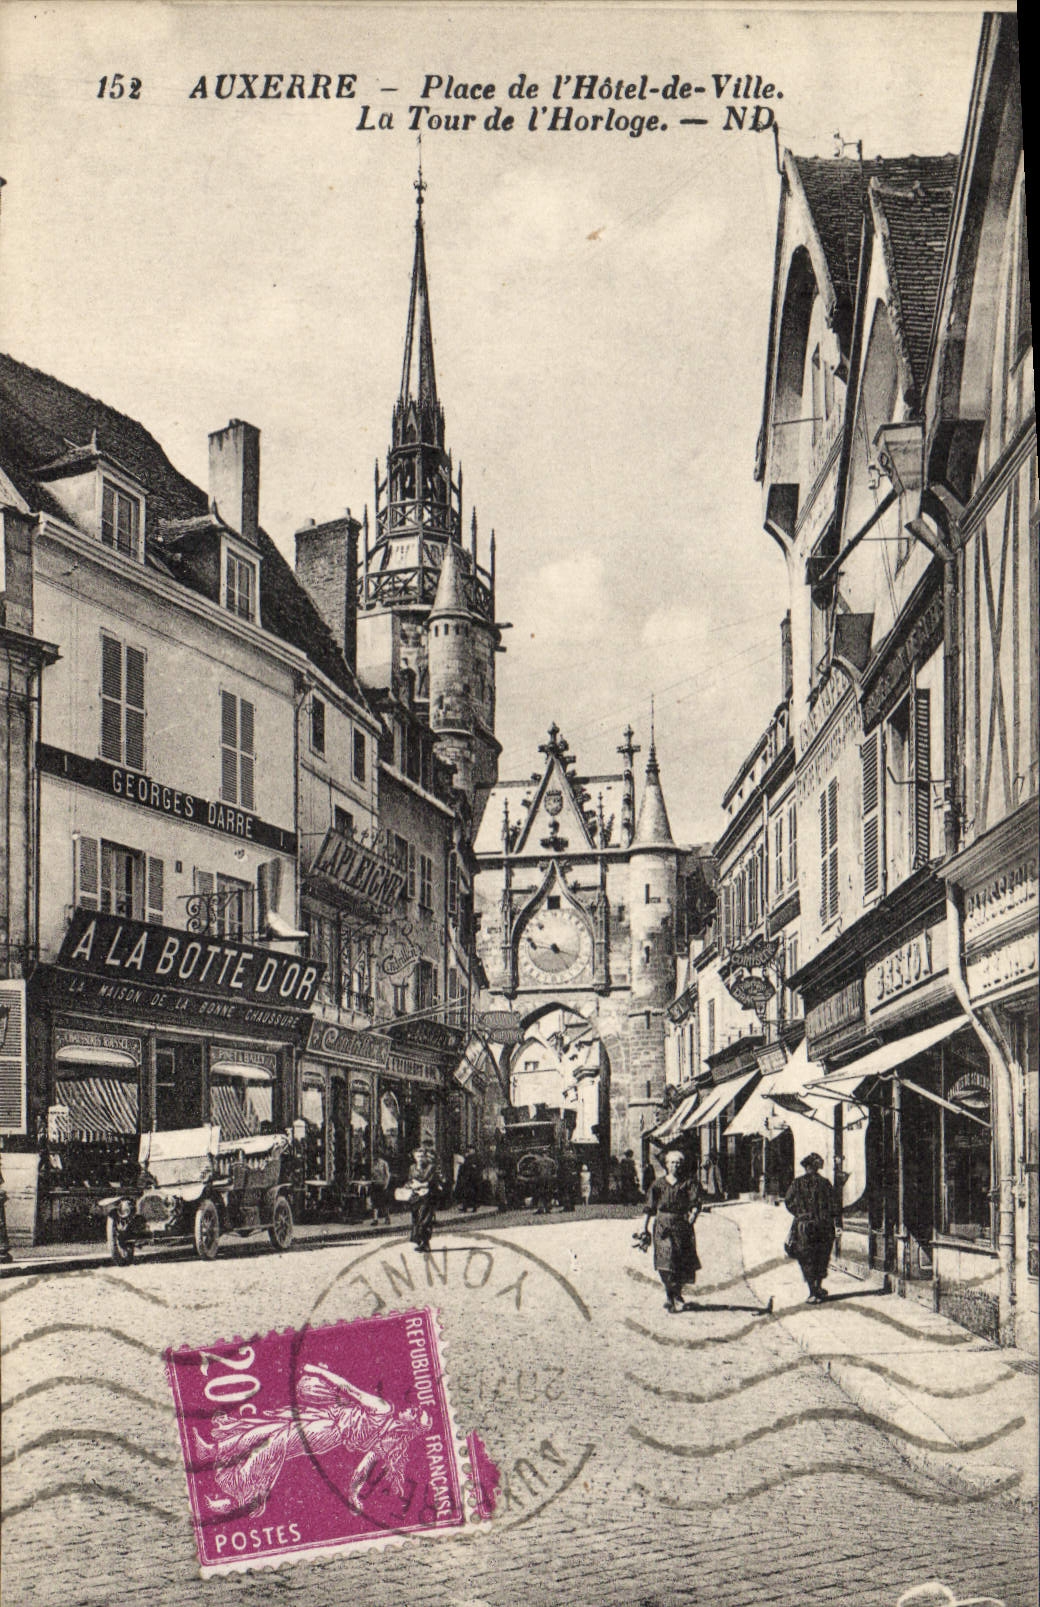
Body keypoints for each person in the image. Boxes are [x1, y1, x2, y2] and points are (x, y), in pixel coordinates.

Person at [639, 1148, 704, 1313]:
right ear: (666, 1165)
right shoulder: (658, 1184)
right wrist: (643, 1228)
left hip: (682, 1226)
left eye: (679, 1163)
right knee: (665, 1262)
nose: (676, 1166)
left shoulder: (688, 1183)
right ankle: (671, 1295)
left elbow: (696, 1203)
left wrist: (692, 1217)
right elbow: (649, 1208)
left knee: (680, 1261)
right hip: (662, 1226)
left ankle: (675, 1294)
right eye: (672, 1162)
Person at [784, 1152, 838, 1302]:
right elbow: (834, 1204)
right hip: (823, 1225)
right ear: (816, 1167)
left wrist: (800, 1213)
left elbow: (788, 1201)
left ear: (806, 1167)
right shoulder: (825, 1183)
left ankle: (813, 1292)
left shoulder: (797, 1183)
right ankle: (818, 1287)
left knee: (806, 1257)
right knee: (822, 1255)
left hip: (804, 1226)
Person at [406, 1145, 440, 1253]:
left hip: (427, 1196)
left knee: (424, 1220)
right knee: (416, 1219)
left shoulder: (430, 1167)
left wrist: (421, 1184)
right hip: (415, 1197)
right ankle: (420, 1242)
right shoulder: (412, 1167)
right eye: (417, 1156)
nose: (420, 1158)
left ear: (425, 1157)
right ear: (414, 1157)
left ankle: (425, 1243)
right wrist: (409, 1185)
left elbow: (433, 1181)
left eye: (421, 1156)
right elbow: (409, 1180)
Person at [454, 1148, 480, 1213]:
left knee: (471, 1193)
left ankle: (474, 1207)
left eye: (471, 1149)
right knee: (465, 1193)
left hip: (472, 1179)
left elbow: (477, 1167)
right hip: (467, 1178)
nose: (470, 1151)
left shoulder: (475, 1158)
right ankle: (465, 1207)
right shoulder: (467, 1157)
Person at [370, 1152, 391, 1225]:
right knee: (374, 1202)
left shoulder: (383, 1163)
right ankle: (375, 1219)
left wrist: (386, 1184)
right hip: (375, 1184)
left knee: (384, 1203)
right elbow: (372, 1174)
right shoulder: (372, 1163)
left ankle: (387, 1218)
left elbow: (388, 1175)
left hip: (382, 1185)